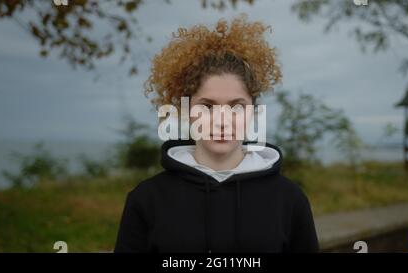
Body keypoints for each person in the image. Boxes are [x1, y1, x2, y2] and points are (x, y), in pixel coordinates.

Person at [114, 14, 319, 253]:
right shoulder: (147, 199)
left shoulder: (289, 199)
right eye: (208, 106)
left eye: (236, 106)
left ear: (253, 111)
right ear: (186, 110)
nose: (222, 120)